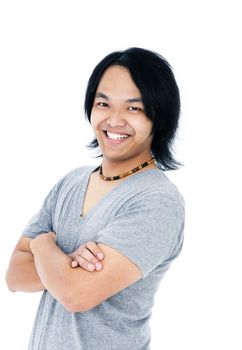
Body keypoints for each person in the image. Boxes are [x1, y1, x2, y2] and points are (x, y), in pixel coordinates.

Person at [6, 47, 185, 350]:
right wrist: (63, 264)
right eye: (104, 103)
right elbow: (14, 275)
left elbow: (77, 295)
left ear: (160, 116)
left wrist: (42, 245)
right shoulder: (71, 182)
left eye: (134, 108)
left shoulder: (157, 200)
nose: (114, 120)